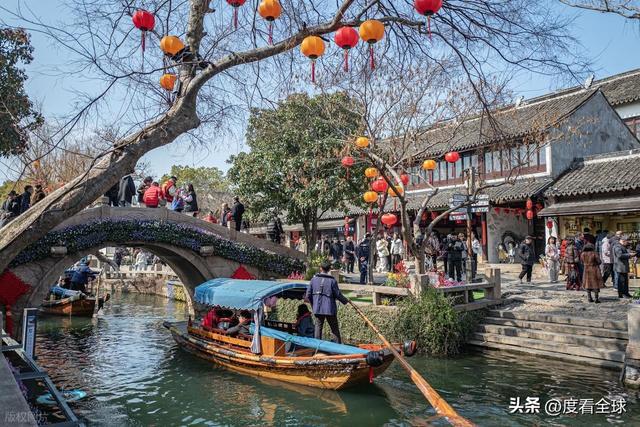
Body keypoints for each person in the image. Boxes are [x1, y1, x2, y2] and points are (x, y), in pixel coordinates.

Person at [305, 260, 349, 343]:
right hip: (330, 309)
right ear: (329, 269)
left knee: (318, 327)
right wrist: (346, 301)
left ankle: (317, 346)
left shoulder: (313, 280)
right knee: (334, 328)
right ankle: (337, 346)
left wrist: (314, 305)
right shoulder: (332, 281)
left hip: (318, 308)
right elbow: (338, 295)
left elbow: (308, 295)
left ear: (320, 268)